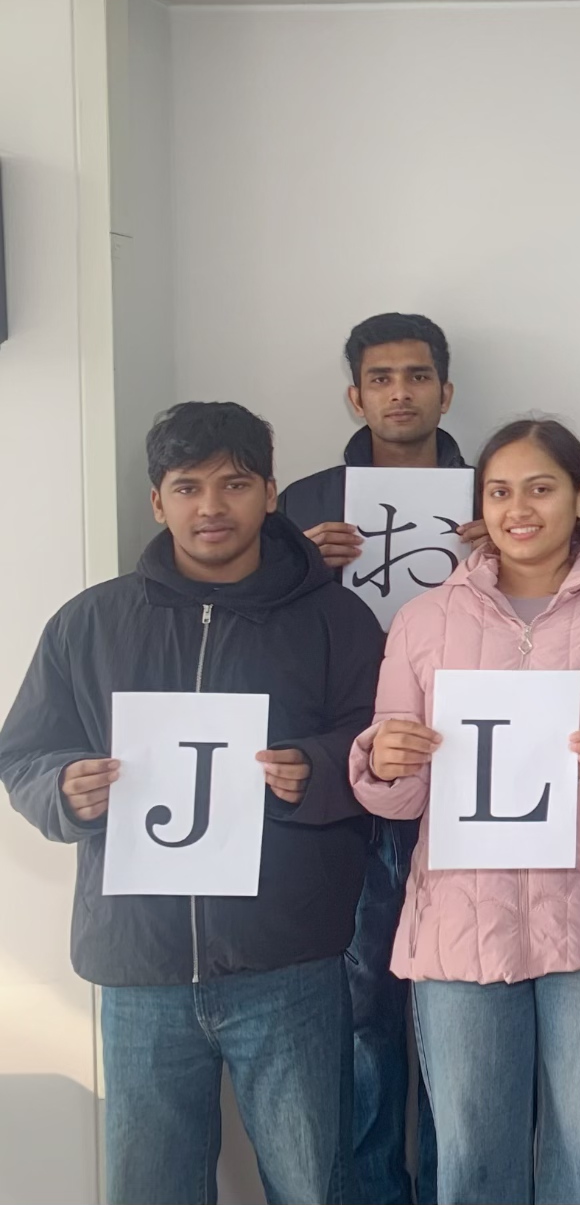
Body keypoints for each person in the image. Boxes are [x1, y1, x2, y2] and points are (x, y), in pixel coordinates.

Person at [0, 394, 383, 1205]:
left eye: (235, 483)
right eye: (187, 486)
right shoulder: (89, 622)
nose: (211, 505)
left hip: (290, 961)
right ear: (157, 500)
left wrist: (314, 767)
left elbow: (377, 741)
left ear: (270, 493)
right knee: (150, 1189)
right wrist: (62, 788)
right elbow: (24, 753)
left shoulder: (336, 619)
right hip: (139, 967)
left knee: (316, 1186)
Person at [352, 410, 580, 1205]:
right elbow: (398, 783)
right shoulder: (424, 619)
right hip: (459, 920)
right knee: (471, 1154)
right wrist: (383, 758)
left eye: (540, 487)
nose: (518, 507)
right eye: (499, 491)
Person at [287, 316, 465, 1205]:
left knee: (457, 1008)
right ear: (356, 395)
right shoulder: (303, 502)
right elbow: (259, 628)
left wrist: (502, 555)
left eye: (418, 375)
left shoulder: (496, 493)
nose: (401, 391)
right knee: (362, 1013)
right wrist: (299, 566)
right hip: (349, 784)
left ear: (445, 390)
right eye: (383, 376)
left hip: (468, 775)